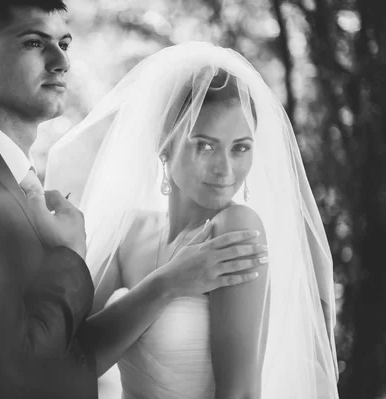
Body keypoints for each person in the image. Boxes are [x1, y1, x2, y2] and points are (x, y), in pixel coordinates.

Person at [0, 2, 266, 398]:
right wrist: (70, 256)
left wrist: (159, 285)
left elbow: (66, 353)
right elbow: (12, 374)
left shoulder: (2, 183)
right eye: (34, 42)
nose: (61, 61)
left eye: (64, 43)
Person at [46, 42, 340, 398]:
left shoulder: (236, 228)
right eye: (205, 145)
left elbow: (241, 393)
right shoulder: (129, 232)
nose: (226, 170)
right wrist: (167, 282)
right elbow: (65, 359)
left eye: (240, 148)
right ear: (164, 145)